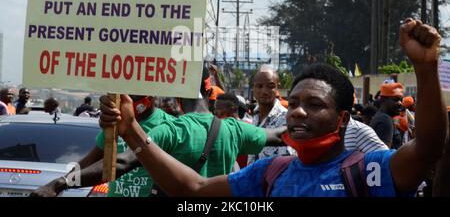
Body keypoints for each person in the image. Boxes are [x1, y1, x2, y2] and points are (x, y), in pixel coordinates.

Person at [97, 18, 448, 197]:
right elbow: (195, 191)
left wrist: (426, 68)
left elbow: (429, 147)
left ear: (342, 120)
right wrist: (131, 129)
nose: (297, 112)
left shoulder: (368, 169)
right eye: (293, 103)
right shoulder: (272, 173)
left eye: (314, 105)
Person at [31, 65, 287, 197]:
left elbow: (122, 162)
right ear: (208, 88)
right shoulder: (234, 129)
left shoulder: (170, 130)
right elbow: (277, 135)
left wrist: (59, 183)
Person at [32, 95, 175, 197]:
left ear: (148, 99)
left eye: (129, 99)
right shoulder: (114, 125)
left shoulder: (169, 127)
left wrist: (60, 183)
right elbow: (90, 161)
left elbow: (122, 162)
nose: (123, 102)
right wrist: (57, 186)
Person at [247, 65, 292, 164]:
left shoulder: (286, 119)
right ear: (253, 88)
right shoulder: (255, 116)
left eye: (270, 86)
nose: (264, 91)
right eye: (259, 86)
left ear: (277, 88)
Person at [370, 82, 404, 149]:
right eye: (396, 99)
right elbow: (384, 153)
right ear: (383, 100)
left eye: (401, 100)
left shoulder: (381, 117)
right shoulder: (385, 120)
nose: (400, 103)